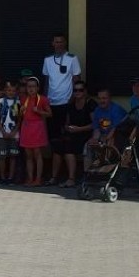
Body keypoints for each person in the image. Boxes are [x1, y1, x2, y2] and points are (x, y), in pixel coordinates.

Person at [41, 33, 81, 185]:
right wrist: (44, 102)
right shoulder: (47, 60)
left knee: (67, 139)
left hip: (66, 103)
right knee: (54, 140)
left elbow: (77, 80)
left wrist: (72, 101)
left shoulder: (72, 58)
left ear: (65, 43)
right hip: (52, 105)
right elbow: (46, 82)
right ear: (52, 43)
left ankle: (70, 177)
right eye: (56, 41)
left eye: (61, 42)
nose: (58, 44)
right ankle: (54, 176)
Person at [19, 76, 51, 186]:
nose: (31, 89)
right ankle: (30, 178)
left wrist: (39, 111)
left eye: (33, 86)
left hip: (38, 128)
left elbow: (50, 114)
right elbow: (19, 115)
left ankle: (38, 178)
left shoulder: (42, 99)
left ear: (38, 88)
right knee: (28, 155)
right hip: (26, 127)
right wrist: (20, 111)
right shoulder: (23, 99)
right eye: (29, 87)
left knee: (37, 154)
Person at [64, 79, 96, 188]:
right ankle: (71, 178)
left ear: (85, 91)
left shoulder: (90, 104)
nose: (77, 92)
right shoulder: (71, 104)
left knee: (87, 147)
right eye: (75, 90)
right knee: (67, 146)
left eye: (80, 90)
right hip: (74, 134)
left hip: (88, 133)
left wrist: (80, 129)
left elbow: (95, 124)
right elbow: (66, 123)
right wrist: (68, 128)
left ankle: (87, 178)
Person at [0, 80, 21, 185]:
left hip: (14, 133)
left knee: (13, 156)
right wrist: (2, 131)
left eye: (13, 91)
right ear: (5, 90)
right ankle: (2, 177)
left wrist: (14, 131)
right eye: (9, 90)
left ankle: (10, 177)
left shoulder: (18, 103)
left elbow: (19, 119)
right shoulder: (0, 102)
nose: (11, 92)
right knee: (2, 156)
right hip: (2, 133)